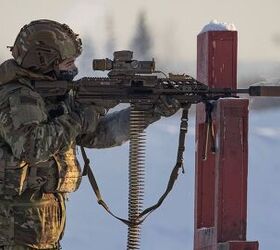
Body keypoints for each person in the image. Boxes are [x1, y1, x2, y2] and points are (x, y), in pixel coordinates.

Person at [0, 19, 180, 249]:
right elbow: (33, 147)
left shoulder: (52, 97)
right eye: (67, 63)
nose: (74, 69)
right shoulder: (17, 97)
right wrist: (85, 115)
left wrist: (150, 111)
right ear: (44, 62)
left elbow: (99, 133)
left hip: (40, 238)